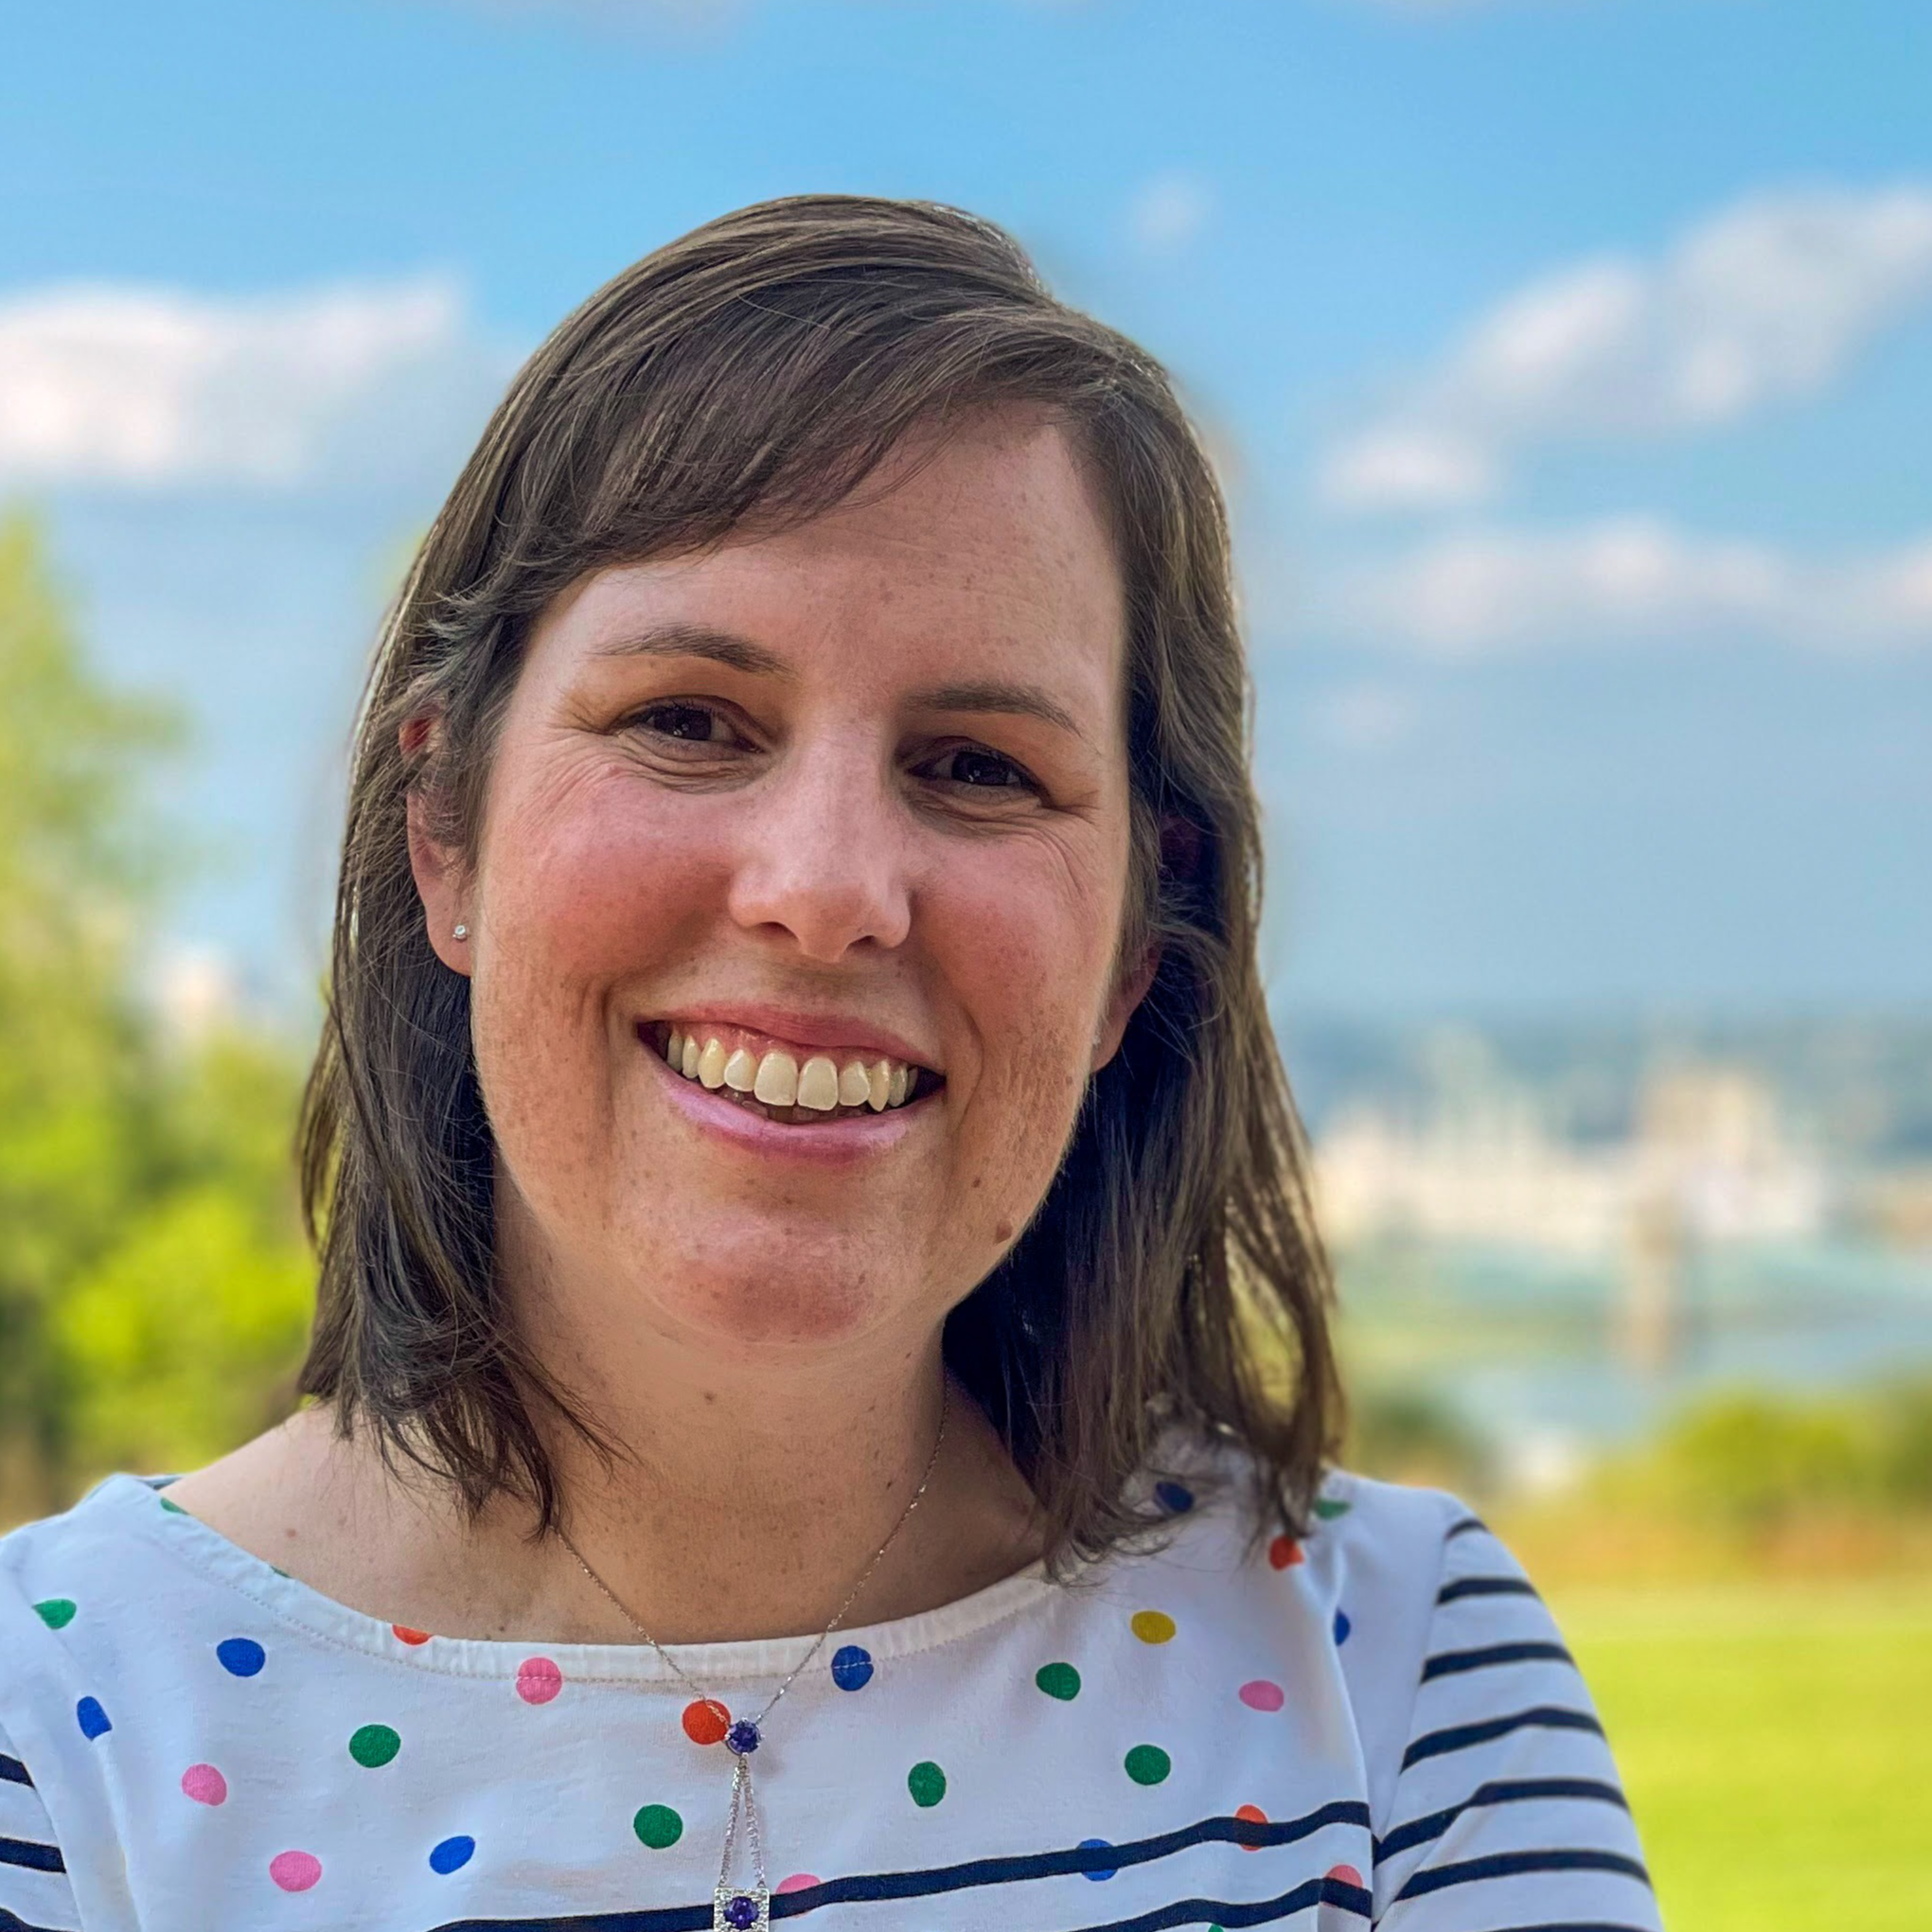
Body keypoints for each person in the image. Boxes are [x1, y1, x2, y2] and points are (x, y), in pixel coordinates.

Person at [0, 195, 1662, 1932]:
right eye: (690, 723)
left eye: (978, 765)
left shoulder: (1393, 1678)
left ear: (1130, 953)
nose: (825, 891)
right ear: (444, 828)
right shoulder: (57, 1744)